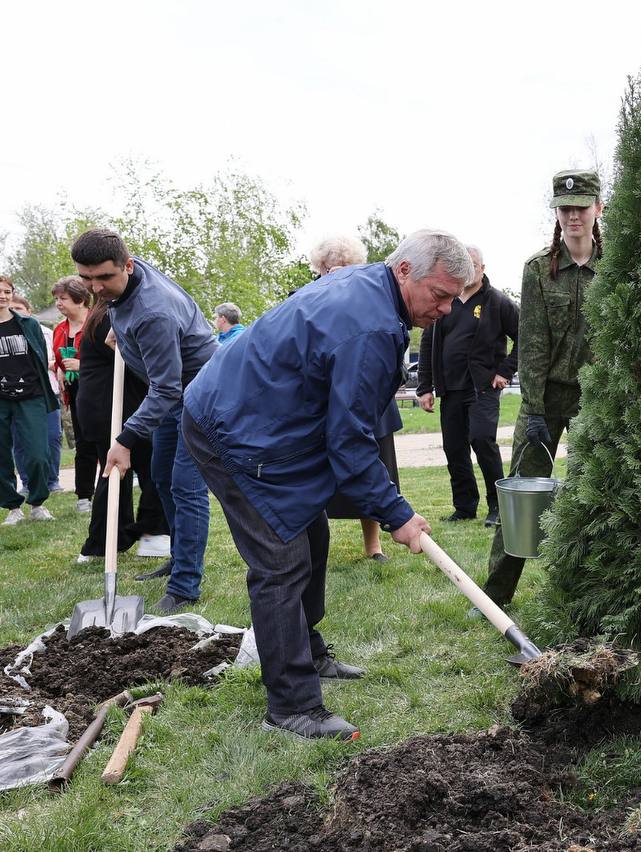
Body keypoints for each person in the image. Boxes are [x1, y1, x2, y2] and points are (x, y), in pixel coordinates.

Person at [183, 228, 470, 740]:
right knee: (280, 558)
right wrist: (397, 514)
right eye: (441, 295)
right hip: (231, 428)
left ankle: (308, 651)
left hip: (262, 418)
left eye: (453, 299)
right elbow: (351, 441)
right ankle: (292, 707)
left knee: (310, 531)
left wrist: (390, 508)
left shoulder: (372, 289)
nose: (446, 310)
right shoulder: (373, 327)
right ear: (404, 271)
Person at [71, 228, 216, 614]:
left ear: (128, 266)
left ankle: (185, 584)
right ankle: (179, 556)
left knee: (185, 486)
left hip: (200, 393)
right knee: (163, 478)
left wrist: (125, 439)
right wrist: (119, 331)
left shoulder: (153, 311)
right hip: (173, 393)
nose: (95, 287)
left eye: (104, 278)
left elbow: (167, 389)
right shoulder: (128, 279)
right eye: (86, 278)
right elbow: (124, 307)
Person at [480, 169, 601, 612]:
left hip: (596, 399)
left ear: (597, 210)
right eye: (565, 208)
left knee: (593, 494)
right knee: (522, 495)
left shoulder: (615, 267)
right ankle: (496, 593)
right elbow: (530, 344)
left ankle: (586, 587)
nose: (573, 216)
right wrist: (532, 409)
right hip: (544, 399)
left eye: (581, 207)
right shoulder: (538, 269)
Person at [310, 235, 404, 562]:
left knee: (376, 467)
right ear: (320, 269)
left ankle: (373, 544)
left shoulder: (372, 298)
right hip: (328, 401)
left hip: (371, 399)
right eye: (329, 268)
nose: (336, 273)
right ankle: (314, 544)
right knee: (319, 474)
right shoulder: (311, 299)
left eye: (345, 267)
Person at [416, 244, 518, 527]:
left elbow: (525, 336)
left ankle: (498, 506)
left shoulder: (497, 301)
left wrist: (505, 371)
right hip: (450, 389)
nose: (470, 269)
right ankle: (464, 507)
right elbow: (427, 343)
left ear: (482, 267)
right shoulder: (446, 299)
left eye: (474, 264)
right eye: (465, 264)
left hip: (482, 387)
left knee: (482, 440)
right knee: (454, 447)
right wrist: (425, 386)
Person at [75, 297, 169, 563]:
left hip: (108, 407)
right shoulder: (110, 317)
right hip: (112, 408)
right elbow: (140, 358)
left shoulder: (106, 314)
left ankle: (107, 542)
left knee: (118, 471)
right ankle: (150, 534)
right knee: (143, 468)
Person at [0, 276, 59, 525]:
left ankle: (37, 503)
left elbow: (40, 359)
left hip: (31, 396)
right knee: (2, 455)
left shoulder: (28, 324)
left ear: (12, 294)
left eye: (7, 291)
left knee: (38, 453)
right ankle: (13, 507)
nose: (2, 296)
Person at [8, 293, 63, 498]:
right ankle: (27, 482)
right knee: (20, 442)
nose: (14, 312)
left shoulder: (46, 333)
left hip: (46, 392)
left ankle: (52, 480)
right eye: (11, 308)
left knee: (51, 438)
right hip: (15, 396)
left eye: (19, 308)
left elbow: (55, 358)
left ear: (29, 312)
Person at [51, 276, 97, 512]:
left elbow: (109, 360)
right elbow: (60, 358)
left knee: (104, 441)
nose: (58, 303)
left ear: (80, 300)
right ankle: (84, 496)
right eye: (57, 298)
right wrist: (59, 368)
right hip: (75, 391)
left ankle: (114, 490)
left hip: (99, 390)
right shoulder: (60, 329)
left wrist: (82, 366)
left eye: (63, 298)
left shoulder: (96, 323)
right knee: (83, 443)